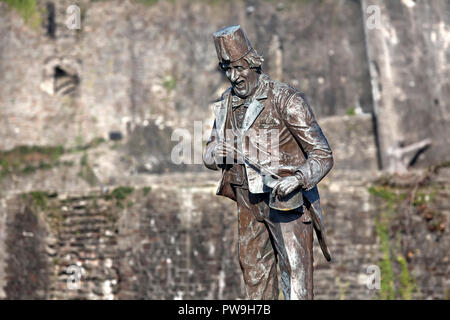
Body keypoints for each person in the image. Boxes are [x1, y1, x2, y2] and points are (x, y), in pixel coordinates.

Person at [203, 25, 334, 300]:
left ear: (253, 64)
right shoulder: (226, 103)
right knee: (254, 276)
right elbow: (208, 153)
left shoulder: (286, 99)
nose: (233, 77)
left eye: (239, 68)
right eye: (226, 69)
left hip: (284, 202)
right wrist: (218, 152)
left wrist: (297, 179)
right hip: (246, 203)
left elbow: (322, 154)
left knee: (294, 279)